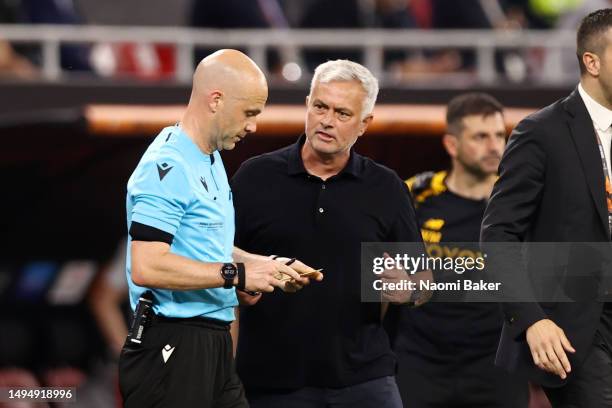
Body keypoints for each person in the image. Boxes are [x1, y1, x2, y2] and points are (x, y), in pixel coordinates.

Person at [119, 49, 318, 408]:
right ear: (216, 100)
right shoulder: (167, 165)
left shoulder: (208, 157)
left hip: (212, 345)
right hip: (172, 345)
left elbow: (206, 243)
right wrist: (237, 275)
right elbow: (148, 264)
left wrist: (266, 266)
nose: (254, 126)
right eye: (249, 113)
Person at [231, 59, 429, 408]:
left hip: (364, 379)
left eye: (342, 113)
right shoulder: (254, 177)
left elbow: (421, 282)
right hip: (270, 382)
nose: (327, 121)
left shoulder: (386, 187)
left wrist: (405, 287)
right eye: (320, 106)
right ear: (307, 105)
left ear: (364, 124)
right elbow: (219, 260)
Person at [481, 8, 612, 407]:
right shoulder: (541, 133)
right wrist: (532, 319)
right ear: (591, 62)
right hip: (582, 332)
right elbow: (498, 235)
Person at [391, 93, 529, 407]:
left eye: (499, 135)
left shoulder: (522, 202)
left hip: (496, 366)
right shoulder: (413, 195)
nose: (494, 146)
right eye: (480, 137)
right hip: (419, 363)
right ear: (452, 145)